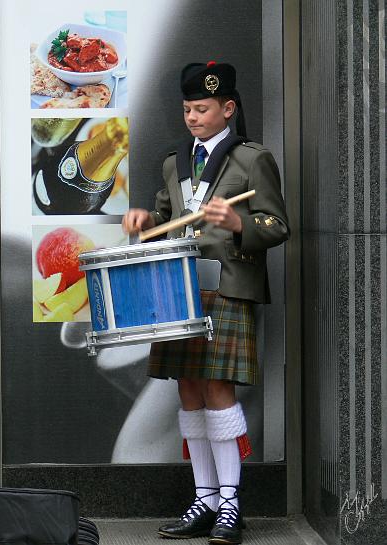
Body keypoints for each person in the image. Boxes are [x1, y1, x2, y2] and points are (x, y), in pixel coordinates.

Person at [121, 61, 289, 545]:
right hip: (179, 287)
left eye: (202, 109)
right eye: (187, 109)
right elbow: (164, 218)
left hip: (228, 286)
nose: (192, 117)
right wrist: (141, 221)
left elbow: (278, 226)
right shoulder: (176, 161)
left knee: (218, 390)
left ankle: (232, 503)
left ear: (228, 108)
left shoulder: (252, 160)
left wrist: (239, 224)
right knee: (188, 389)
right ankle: (206, 498)